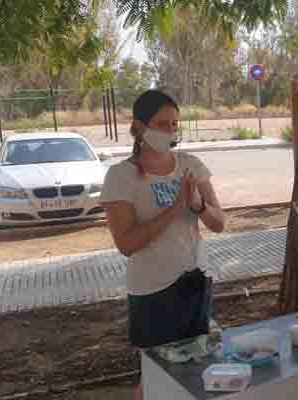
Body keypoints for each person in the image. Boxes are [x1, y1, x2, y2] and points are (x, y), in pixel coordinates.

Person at [99, 90, 225, 397]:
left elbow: (218, 223)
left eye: (174, 124)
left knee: (196, 370)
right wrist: (174, 210)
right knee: (155, 377)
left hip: (196, 283)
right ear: (139, 127)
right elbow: (126, 243)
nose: (169, 131)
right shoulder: (121, 176)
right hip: (153, 292)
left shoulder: (190, 164)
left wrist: (197, 206)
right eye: (161, 123)